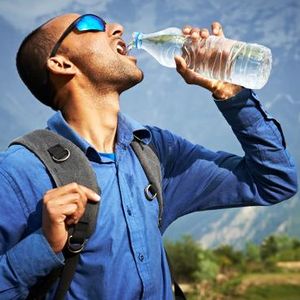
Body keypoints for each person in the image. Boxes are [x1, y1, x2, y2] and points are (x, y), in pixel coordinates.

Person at [0, 12, 297, 300]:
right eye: (90, 24)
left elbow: (274, 181)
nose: (116, 27)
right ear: (60, 63)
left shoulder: (155, 152)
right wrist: (43, 246)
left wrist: (230, 92)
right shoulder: (19, 171)